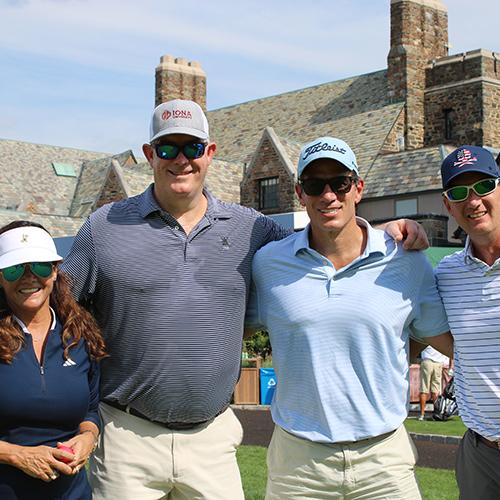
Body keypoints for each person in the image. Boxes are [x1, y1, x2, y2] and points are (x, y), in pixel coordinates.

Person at [61, 99, 429, 500]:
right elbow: (56, 310)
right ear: (150, 154)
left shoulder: (252, 229)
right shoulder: (105, 226)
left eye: (192, 148)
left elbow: (321, 242)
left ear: (210, 153)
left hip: (211, 440)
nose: (180, 159)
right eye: (167, 148)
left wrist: (379, 231)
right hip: (126, 436)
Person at [246, 136, 454, 499]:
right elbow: (224, 326)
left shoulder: (406, 259)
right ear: (300, 193)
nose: (328, 195)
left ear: (358, 188)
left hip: (382, 459)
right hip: (298, 463)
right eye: (314, 184)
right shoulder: (269, 264)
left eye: (340, 182)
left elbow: (452, 342)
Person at [0, 221, 106, 500]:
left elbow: (90, 411)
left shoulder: (79, 335)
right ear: (0, 277)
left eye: (40, 266)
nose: (29, 277)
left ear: (56, 270)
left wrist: (88, 439)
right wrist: (15, 455)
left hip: (72, 493)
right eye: (14, 269)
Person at [435, 145, 500, 499]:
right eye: (459, 193)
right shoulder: (445, 274)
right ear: (448, 206)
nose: (473, 201)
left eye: (484, 186)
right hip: (482, 453)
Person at [418, 345, 451, 420]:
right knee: (435, 390)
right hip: (438, 363)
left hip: (427, 361)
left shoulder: (425, 336)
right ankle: (436, 413)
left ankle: (422, 415)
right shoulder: (440, 338)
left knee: (424, 388)